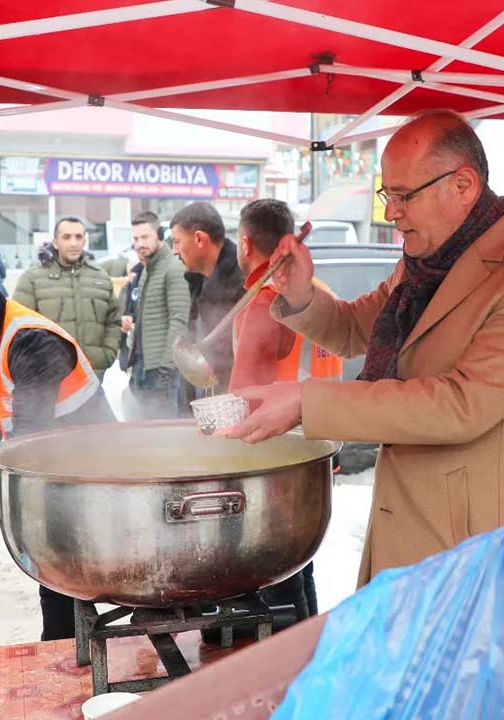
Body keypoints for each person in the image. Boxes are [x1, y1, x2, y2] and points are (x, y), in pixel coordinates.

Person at [224, 110, 504, 588]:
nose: (391, 211)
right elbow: (355, 329)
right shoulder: (424, 265)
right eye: (386, 194)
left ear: (463, 184)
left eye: (403, 196)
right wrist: (302, 294)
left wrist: (306, 402)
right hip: (412, 528)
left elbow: (461, 405)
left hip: (485, 550)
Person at [0, 270, 114, 641]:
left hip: (94, 469)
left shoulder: (31, 340)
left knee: (79, 569)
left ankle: (70, 650)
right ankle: (62, 649)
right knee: (55, 570)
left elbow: (29, 439)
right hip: (54, 470)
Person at [228, 199, 344, 620]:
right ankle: (309, 649)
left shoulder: (263, 301)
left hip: (276, 452)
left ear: (245, 243)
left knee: (275, 576)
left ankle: (286, 667)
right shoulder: (316, 292)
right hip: (321, 441)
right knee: (301, 561)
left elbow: (245, 393)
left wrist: (209, 427)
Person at [14, 217, 123, 379]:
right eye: (67, 237)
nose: (73, 243)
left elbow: (113, 321)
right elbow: (18, 326)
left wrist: (106, 355)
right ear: (55, 242)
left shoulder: (100, 277)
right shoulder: (33, 278)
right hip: (48, 379)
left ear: (84, 241)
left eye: (78, 237)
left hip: (92, 376)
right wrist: (36, 362)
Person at [170, 202, 245, 398]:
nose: (174, 251)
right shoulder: (198, 280)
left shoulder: (242, 283)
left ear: (199, 239)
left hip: (232, 401)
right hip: (206, 399)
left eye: (177, 241)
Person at [125, 211, 190, 419]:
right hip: (142, 366)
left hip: (161, 369)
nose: (139, 243)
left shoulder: (174, 268)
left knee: (164, 433)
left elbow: (179, 321)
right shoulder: (147, 270)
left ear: (159, 235)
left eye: (145, 237)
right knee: (144, 431)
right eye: (135, 238)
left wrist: (166, 370)